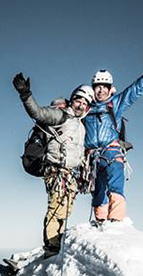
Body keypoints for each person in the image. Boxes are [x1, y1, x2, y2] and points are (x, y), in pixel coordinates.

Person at [85, 41, 143, 224]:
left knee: (115, 184)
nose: (100, 89)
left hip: (111, 151)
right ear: (93, 89)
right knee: (98, 190)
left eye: (104, 86)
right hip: (92, 158)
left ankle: (116, 221)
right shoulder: (85, 109)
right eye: (97, 86)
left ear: (110, 89)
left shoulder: (115, 104)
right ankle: (100, 223)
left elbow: (138, 87)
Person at [13, 74, 92, 254]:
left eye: (85, 103)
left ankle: (56, 242)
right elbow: (37, 113)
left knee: (65, 208)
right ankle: (52, 247)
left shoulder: (80, 124)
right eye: (78, 100)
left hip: (69, 174)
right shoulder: (60, 116)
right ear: (72, 100)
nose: (80, 105)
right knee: (57, 207)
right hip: (57, 172)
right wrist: (25, 94)